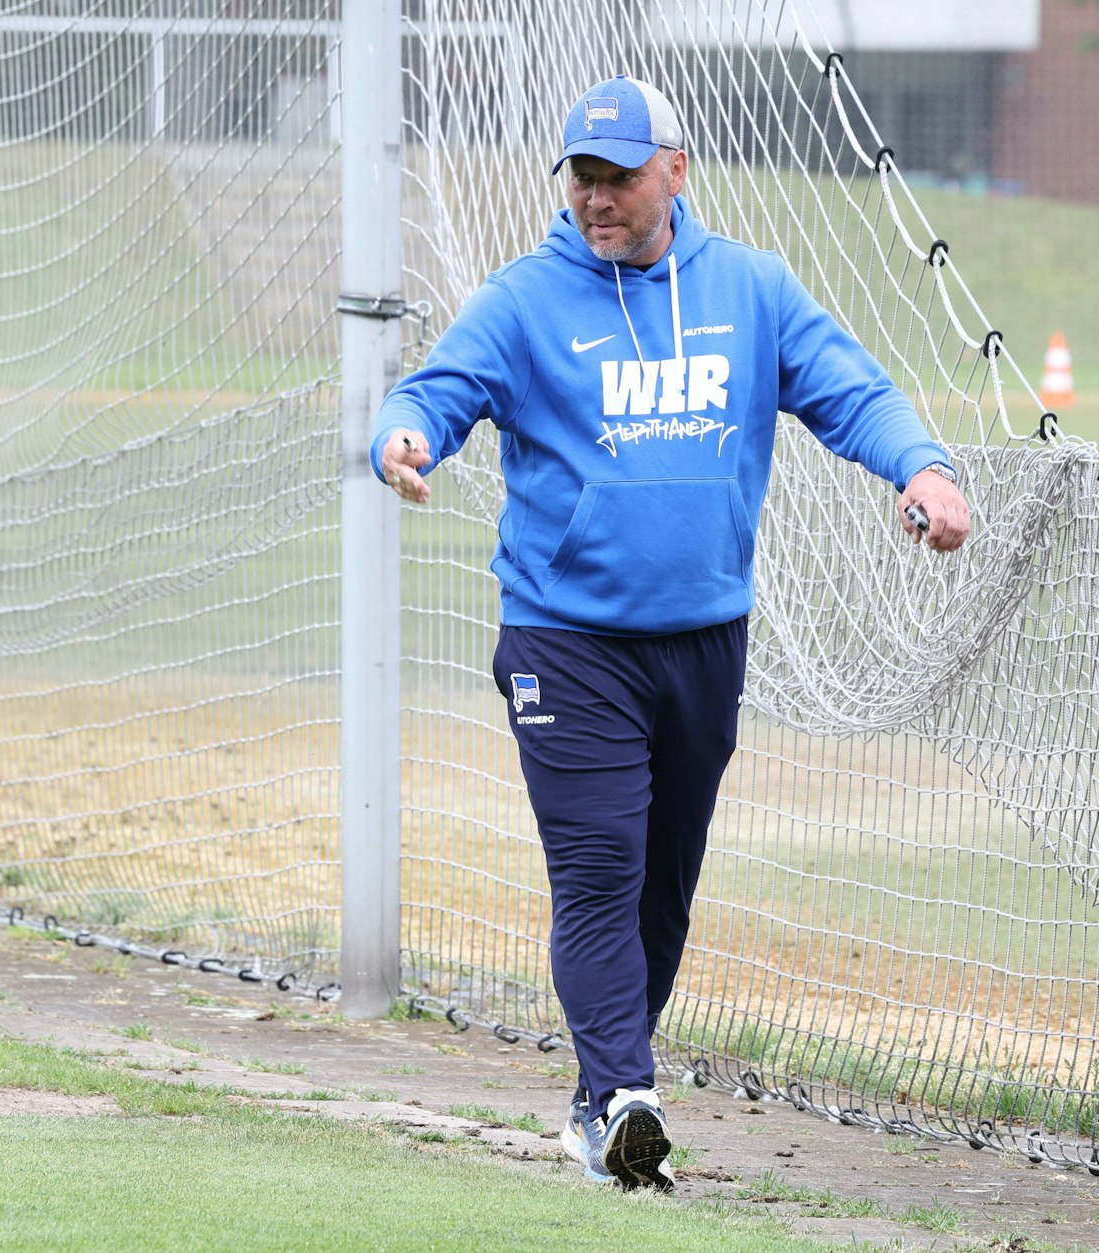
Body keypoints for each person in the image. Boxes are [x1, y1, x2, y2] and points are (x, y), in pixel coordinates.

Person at [371, 74, 970, 1191]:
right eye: (582, 177)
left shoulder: (750, 289)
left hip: (703, 640)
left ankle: (598, 1103)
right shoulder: (523, 300)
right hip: (566, 638)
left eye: (618, 176)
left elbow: (850, 389)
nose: (597, 198)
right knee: (598, 863)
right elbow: (436, 393)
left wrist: (922, 468)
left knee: (662, 884)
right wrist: (403, 439)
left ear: (675, 171)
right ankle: (630, 1091)